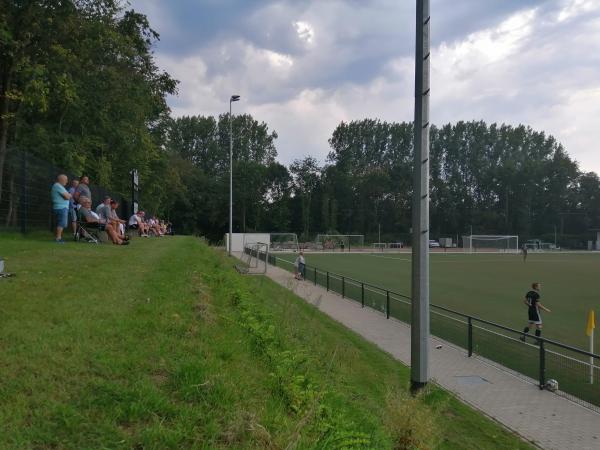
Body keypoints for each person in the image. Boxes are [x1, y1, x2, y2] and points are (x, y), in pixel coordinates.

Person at [50, 174, 71, 243]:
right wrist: (69, 195)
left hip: (61, 207)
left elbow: (67, 195)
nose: (67, 181)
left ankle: (58, 237)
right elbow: (67, 197)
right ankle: (58, 238)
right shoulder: (58, 186)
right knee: (61, 223)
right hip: (61, 207)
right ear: (61, 180)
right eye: (66, 180)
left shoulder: (59, 186)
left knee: (61, 223)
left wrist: (68, 195)